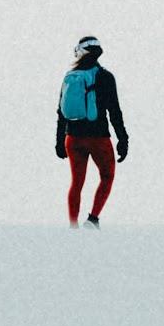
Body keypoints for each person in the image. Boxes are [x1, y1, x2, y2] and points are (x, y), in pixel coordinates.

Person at [55, 36, 129, 228]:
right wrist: (123, 139)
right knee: (107, 176)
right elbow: (114, 111)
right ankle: (93, 219)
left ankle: (73, 226)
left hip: (72, 138)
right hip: (99, 138)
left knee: (76, 183)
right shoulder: (105, 76)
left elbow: (61, 112)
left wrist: (59, 141)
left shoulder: (70, 77)